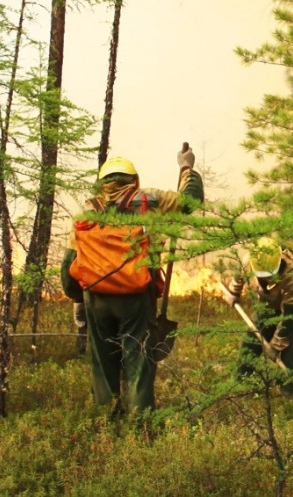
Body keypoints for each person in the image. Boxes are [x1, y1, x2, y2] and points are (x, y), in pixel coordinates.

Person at [60, 156, 203, 416]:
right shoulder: (150, 201)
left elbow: (70, 263)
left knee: (103, 364)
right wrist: (186, 168)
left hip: (96, 299)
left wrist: (77, 300)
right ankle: (141, 422)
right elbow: (191, 200)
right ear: (134, 180)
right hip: (137, 297)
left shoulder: (87, 211)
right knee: (139, 362)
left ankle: (107, 419)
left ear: (102, 183)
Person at [223, 236, 293, 393]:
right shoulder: (249, 261)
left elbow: (289, 319)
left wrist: (275, 346)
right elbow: (239, 276)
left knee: (289, 351)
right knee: (251, 343)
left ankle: (290, 394)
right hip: (267, 304)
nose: (266, 278)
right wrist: (233, 292)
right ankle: (239, 386)